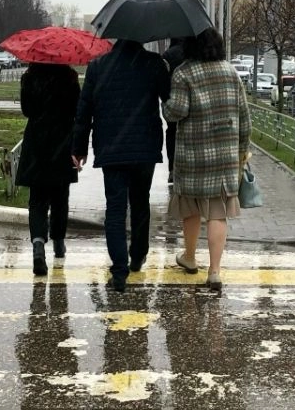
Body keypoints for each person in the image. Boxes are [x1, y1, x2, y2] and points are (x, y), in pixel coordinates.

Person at [73, 39, 171, 293]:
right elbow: (169, 102)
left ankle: (119, 270)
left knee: (115, 209)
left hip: (111, 148)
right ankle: (137, 255)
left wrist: (79, 149)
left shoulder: (98, 67)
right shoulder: (153, 64)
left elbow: (84, 111)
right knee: (140, 202)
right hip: (144, 148)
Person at [164, 29, 252, 291]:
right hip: (224, 155)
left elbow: (176, 111)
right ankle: (214, 271)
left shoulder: (184, 72)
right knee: (217, 213)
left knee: (190, 208)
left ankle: (189, 258)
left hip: (193, 154)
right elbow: (244, 115)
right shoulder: (230, 72)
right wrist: (242, 148)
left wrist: (164, 106)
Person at [16, 63, 81, 276]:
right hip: (62, 142)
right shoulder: (69, 77)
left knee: (37, 199)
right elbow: (77, 109)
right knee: (60, 197)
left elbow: (26, 110)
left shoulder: (30, 77)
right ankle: (59, 243)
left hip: (37, 142)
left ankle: (37, 245)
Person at [162, 38, 187, 184]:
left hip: (172, 100)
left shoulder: (168, 55)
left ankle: (172, 168)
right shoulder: (192, 53)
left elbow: (163, 79)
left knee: (171, 133)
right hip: (190, 102)